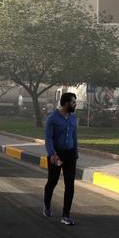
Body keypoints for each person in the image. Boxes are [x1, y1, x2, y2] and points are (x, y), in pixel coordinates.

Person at [44, 92, 79, 225]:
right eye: (73, 102)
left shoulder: (73, 118)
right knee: (52, 182)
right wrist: (52, 154)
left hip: (70, 154)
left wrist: (75, 152)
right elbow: (48, 138)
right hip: (56, 155)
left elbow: (74, 137)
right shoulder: (52, 118)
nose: (75, 105)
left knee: (70, 185)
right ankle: (47, 206)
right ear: (66, 103)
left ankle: (66, 215)